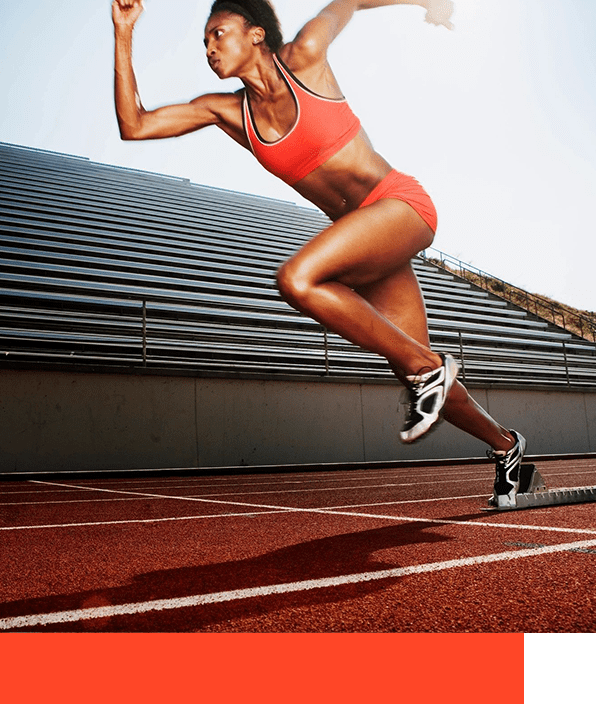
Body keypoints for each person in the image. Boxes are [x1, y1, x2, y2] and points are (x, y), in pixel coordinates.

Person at [111, 0, 526, 508]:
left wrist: (427, 2)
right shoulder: (227, 112)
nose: (209, 48)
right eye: (204, 42)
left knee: (298, 279)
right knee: (413, 370)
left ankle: (431, 370)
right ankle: (508, 448)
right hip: (364, 236)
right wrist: (124, 32)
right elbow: (134, 125)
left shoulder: (305, 55)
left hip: (400, 206)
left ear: (257, 34)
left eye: (218, 33)